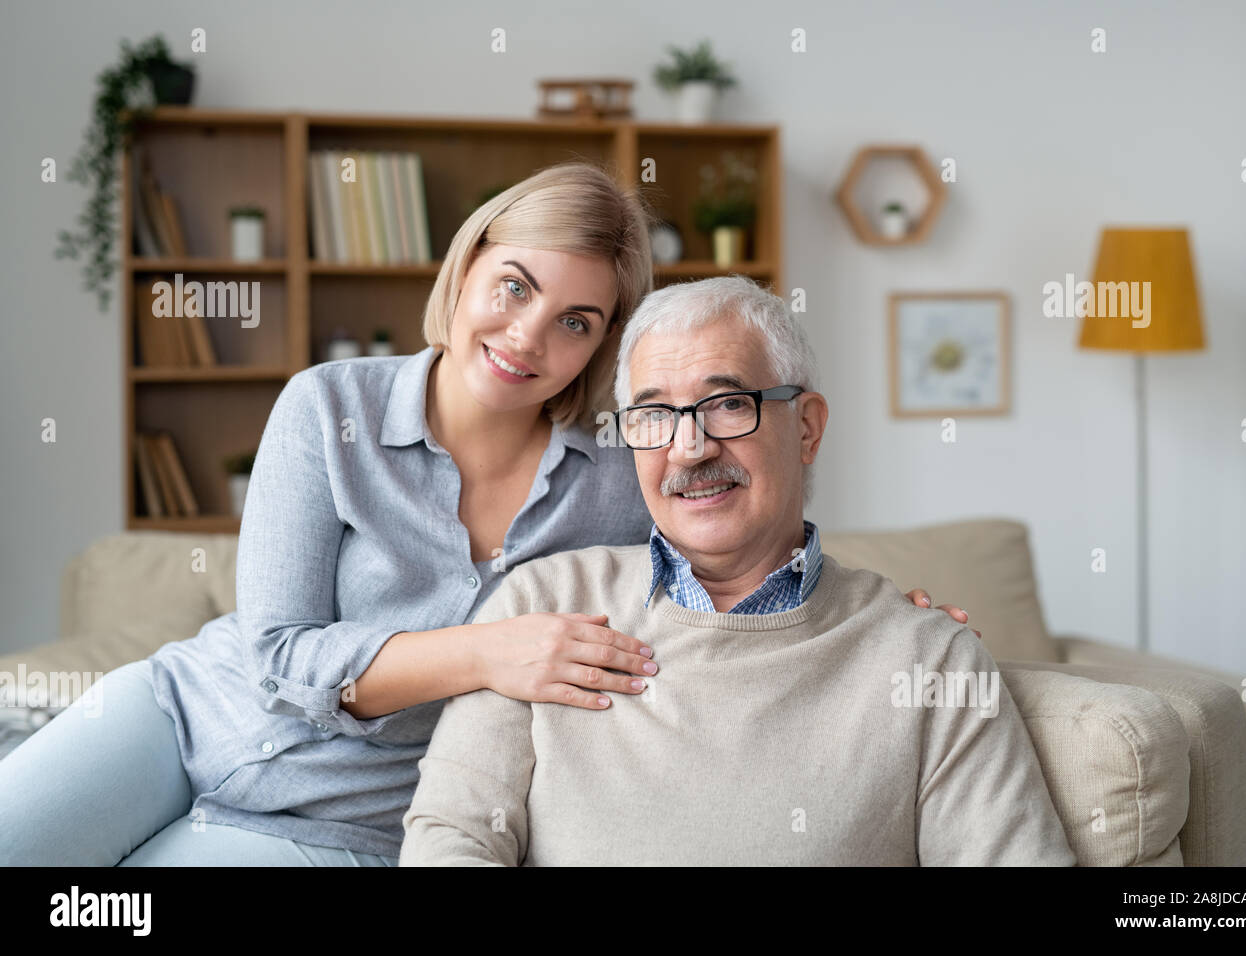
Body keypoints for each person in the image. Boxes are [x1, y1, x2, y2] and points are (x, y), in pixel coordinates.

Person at [0, 164, 970, 867]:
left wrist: (880, 615)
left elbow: (737, 553)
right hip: (174, 715)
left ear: (598, 347)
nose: (526, 336)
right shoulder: (327, 405)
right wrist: (489, 651)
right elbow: (280, 655)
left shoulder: (615, 480)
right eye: (515, 286)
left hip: (340, 823)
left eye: (576, 322)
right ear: (468, 266)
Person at [399, 275, 1074, 866]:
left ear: (806, 428)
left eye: (727, 404)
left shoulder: (927, 656)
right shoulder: (541, 605)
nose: (688, 448)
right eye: (656, 414)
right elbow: (450, 838)